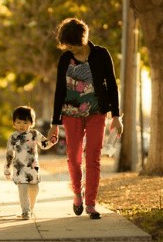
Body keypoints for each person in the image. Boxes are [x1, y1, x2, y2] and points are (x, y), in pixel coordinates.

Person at [48, 18, 123, 220]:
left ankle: (90, 203)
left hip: (97, 112)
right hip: (70, 114)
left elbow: (112, 86)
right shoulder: (65, 59)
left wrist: (116, 116)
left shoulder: (101, 54)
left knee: (93, 157)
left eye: (71, 44)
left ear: (82, 40)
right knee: (73, 157)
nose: (68, 48)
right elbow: (59, 90)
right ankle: (76, 193)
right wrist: (54, 123)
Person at [4, 106, 55, 220]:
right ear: (14, 123)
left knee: (34, 188)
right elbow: (9, 154)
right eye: (18, 122)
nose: (22, 125)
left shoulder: (34, 134)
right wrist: (7, 169)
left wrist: (51, 142)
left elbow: (44, 145)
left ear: (31, 123)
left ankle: (31, 208)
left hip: (33, 168)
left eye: (25, 122)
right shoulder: (12, 137)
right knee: (22, 190)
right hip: (19, 168)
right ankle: (25, 211)